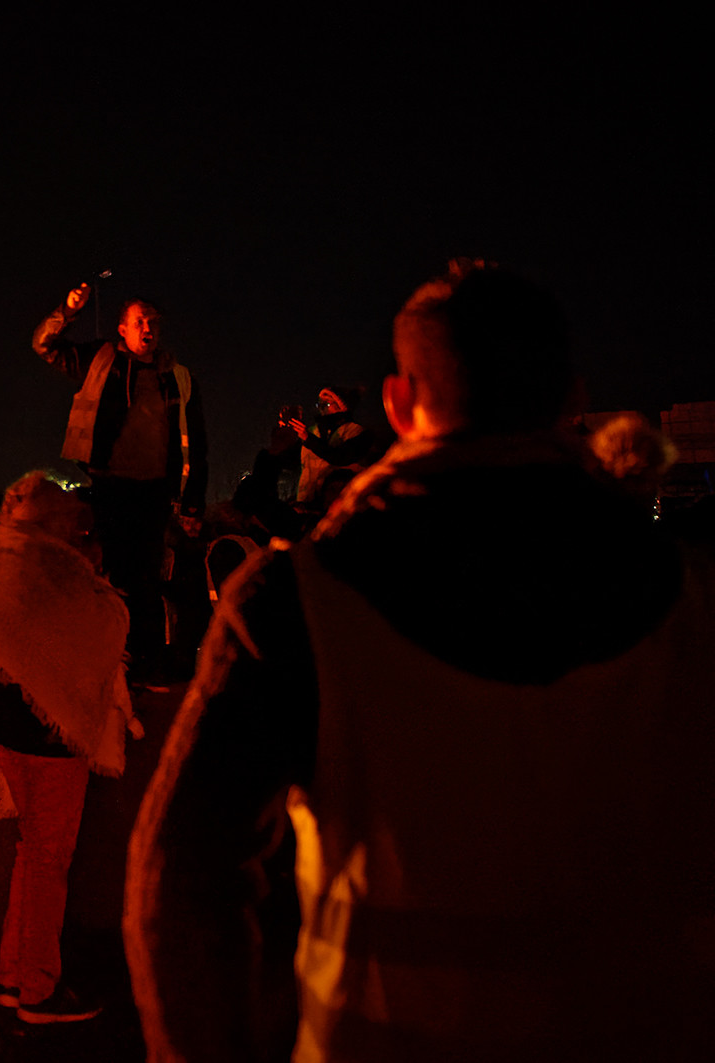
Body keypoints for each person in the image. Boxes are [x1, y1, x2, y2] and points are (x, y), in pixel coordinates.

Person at [125, 260, 715, 1061]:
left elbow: (181, 881)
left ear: (401, 405)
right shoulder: (689, 597)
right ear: (572, 400)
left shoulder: (298, 599)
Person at [0, 471, 142, 1024]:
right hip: (48, 739)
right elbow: (103, 631)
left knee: (29, 855)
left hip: (0, 729)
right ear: (54, 522)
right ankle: (39, 989)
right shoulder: (58, 573)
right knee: (48, 861)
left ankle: (13, 975)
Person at [32, 285, 208, 682]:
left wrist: (193, 499)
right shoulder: (100, 359)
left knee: (148, 580)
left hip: (155, 491)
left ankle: (145, 664)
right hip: (111, 486)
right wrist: (68, 309)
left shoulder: (177, 377)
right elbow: (44, 345)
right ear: (122, 329)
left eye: (153, 322)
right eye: (140, 321)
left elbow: (197, 442)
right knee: (112, 577)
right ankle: (113, 662)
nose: (148, 328)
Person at [283, 387, 373, 506]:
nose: (322, 407)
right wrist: (284, 435)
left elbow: (340, 458)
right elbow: (290, 463)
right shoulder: (312, 432)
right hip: (307, 503)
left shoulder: (357, 432)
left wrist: (308, 439)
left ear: (341, 406)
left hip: (340, 505)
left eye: (327, 403)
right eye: (320, 404)